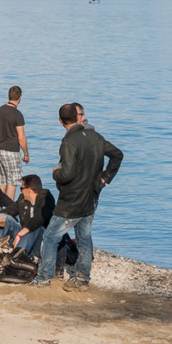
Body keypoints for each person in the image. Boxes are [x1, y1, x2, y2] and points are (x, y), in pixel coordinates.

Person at [30, 103, 123, 291]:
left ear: (60, 121)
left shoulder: (69, 142)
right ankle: (81, 278)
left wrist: (56, 172)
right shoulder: (94, 136)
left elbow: (67, 174)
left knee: (50, 236)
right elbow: (117, 155)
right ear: (78, 117)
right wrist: (104, 178)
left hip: (72, 199)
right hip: (92, 196)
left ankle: (43, 278)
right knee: (84, 237)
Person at [0, 174, 56, 260]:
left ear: (29, 190)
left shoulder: (46, 199)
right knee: (5, 217)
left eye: (22, 189)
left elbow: (38, 220)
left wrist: (20, 234)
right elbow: (10, 210)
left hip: (40, 240)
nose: (21, 191)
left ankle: (16, 255)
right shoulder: (22, 199)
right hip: (23, 236)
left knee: (34, 227)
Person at [0, 85, 29, 200]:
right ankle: (7, 213)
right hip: (11, 151)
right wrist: (26, 154)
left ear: (8, 96)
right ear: (20, 98)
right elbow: (21, 137)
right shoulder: (18, 114)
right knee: (12, 184)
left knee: (2, 183)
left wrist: (4, 133)